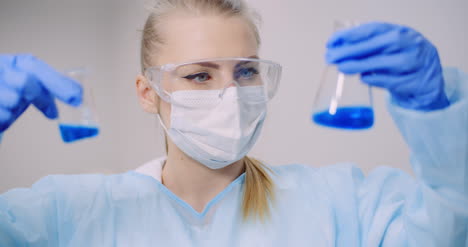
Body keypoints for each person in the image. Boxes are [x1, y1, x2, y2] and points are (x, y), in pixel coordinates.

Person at [1, 0, 467, 246]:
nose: (231, 94)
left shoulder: (343, 204)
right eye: (200, 74)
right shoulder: (66, 215)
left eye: (245, 72)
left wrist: (437, 113)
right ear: (148, 93)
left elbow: (449, 228)